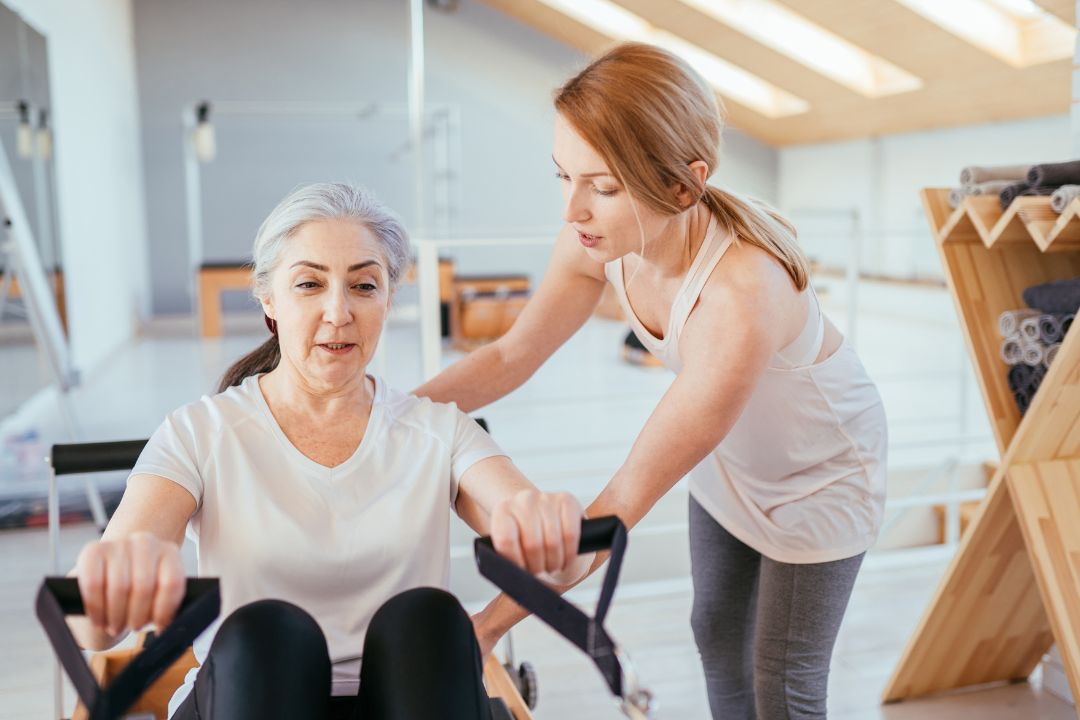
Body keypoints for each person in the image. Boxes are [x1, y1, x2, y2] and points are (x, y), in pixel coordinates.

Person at [417, 43, 888, 719]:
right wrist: (378, 412)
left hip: (821, 476)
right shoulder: (598, 244)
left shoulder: (739, 296)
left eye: (602, 188)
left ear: (682, 185)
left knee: (781, 676)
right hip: (733, 461)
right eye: (563, 176)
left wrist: (487, 626)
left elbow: (616, 508)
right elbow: (509, 357)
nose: (572, 210)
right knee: (716, 632)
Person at [66, 183, 589, 720]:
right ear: (269, 299)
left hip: (408, 700)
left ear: (388, 299)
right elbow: (97, 630)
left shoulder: (438, 430)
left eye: (363, 286)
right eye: (309, 284)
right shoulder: (199, 432)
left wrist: (550, 533)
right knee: (266, 633)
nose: (338, 312)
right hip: (252, 696)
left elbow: (566, 559)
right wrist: (108, 588)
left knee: (429, 620)